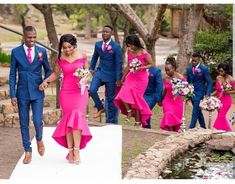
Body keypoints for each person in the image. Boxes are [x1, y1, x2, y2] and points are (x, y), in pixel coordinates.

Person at [39, 34, 92, 164]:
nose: (67, 50)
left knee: (77, 117)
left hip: (80, 92)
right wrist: (46, 81)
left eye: (69, 47)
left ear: (74, 45)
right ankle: (70, 151)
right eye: (64, 48)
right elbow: (56, 73)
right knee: (68, 120)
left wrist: (84, 80)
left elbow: (88, 73)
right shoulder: (60, 57)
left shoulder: (83, 55)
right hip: (66, 92)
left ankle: (77, 151)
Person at [9, 26, 51, 164]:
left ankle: (39, 139)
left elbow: (48, 71)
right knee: (24, 122)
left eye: (34, 37)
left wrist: (45, 82)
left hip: (38, 92)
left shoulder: (42, 51)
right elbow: (12, 75)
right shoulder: (15, 52)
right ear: (24, 37)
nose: (32, 40)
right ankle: (27, 150)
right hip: (22, 93)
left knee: (38, 120)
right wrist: (12, 94)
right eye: (29, 37)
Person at [114, 34, 153, 127]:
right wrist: (123, 77)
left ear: (136, 43)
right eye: (128, 45)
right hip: (131, 76)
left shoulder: (144, 52)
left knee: (136, 100)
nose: (130, 47)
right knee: (123, 93)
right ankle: (129, 111)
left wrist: (142, 67)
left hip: (141, 78)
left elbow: (151, 64)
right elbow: (128, 65)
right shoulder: (129, 51)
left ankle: (138, 122)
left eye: (132, 45)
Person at [89, 25, 123, 124]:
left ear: (111, 33)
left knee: (111, 99)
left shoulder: (116, 46)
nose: (104, 33)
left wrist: (118, 78)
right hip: (100, 72)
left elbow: (118, 63)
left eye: (107, 32)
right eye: (103, 31)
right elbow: (95, 57)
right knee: (92, 90)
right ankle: (100, 107)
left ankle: (111, 121)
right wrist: (91, 69)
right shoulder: (98, 45)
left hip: (111, 75)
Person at [186, 52, 212, 129]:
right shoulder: (189, 69)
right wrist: (187, 93)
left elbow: (209, 82)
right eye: (192, 60)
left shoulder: (204, 69)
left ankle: (190, 129)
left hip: (200, 93)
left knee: (195, 112)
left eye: (195, 61)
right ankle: (203, 127)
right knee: (198, 112)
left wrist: (207, 94)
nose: (193, 62)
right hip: (191, 93)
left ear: (199, 60)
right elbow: (188, 81)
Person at [160, 57, 184, 132]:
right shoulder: (165, 78)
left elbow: (185, 90)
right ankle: (170, 134)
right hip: (167, 101)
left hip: (177, 102)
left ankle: (174, 134)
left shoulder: (180, 78)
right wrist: (161, 100)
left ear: (173, 68)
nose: (167, 72)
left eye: (168, 70)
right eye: (166, 70)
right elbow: (165, 90)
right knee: (168, 114)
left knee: (176, 123)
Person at [211, 63, 235, 131]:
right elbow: (217, 90)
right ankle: (228, 131)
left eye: (222, 71)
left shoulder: (231, 79)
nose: (220, 72)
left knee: (221, 115)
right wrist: (211, 94)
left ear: (226, 71)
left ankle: (215, 129)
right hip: (218, 100)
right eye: (219, 71)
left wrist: (228, 92)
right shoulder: (218, 78)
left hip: (226, 100)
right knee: (222, 117)